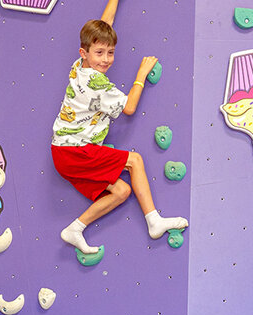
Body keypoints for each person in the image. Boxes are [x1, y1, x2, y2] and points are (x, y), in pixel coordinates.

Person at [52, 0, 188, 255]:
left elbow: (105, 25)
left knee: (122, 190)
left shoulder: (78, 67)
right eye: (100, 53)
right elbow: (129, 108)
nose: (105, 59)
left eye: (110, 52)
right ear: (85, 53)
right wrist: (141, 73)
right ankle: (154, 220)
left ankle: (75, 228)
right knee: (134, 160)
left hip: (64, 152)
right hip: (74, 151)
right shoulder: (96, 83)